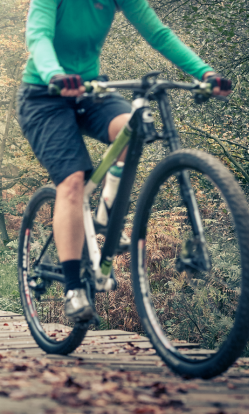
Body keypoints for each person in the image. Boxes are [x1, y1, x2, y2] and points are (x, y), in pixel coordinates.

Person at [17, 0, 232, 321]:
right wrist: (55, 74)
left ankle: (104, 213)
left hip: (91, 89)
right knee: (73, 180)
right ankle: (74, 290)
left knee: (132, 128)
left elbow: (158, 34)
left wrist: (205, 72)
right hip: (45, 94)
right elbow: (38, 37)